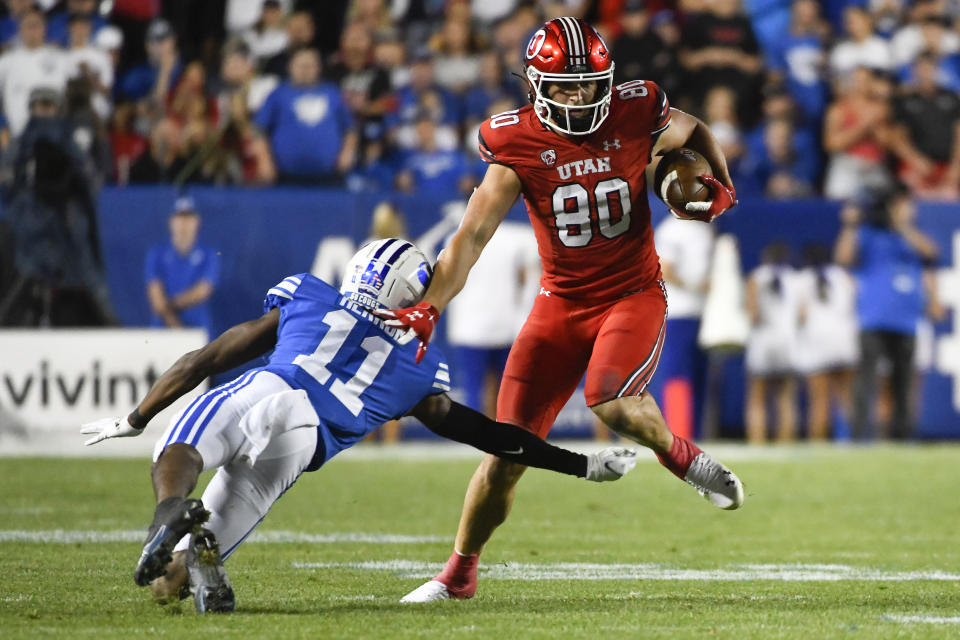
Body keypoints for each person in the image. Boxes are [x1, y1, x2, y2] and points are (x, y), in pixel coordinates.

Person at [375, 17, 744, 603]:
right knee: (506, 451)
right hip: (560, 304)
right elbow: (470, 237)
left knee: (611, 400)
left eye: (589, 83)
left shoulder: (634, 108)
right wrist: (430, 307)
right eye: (566, 85)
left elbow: (693, 129)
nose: (579, 96)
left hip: (631, 292)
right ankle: (458, 574)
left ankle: (683, 458)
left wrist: (719, 181)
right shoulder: (515, 141)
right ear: (534, 84)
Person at [79, 238, 638, 613]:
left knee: (181, 444)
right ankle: (197, 559)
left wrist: (135, 418)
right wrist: (581, 464)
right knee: (166, 586)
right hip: (302, 444)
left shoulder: (310, 296)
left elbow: (207, 358)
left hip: (272, 390)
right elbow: (495, 437)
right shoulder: (417, 367)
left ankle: (169, 510)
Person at [834, 188, 939, 440]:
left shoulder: (911, 237)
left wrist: (902, 226)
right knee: (866, 381)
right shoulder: (869, 235)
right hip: (873, 318)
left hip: (907, 321)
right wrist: (850, 224)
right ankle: (858, 436)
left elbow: (931, 252)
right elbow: (843, 257)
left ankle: (902, 436)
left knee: (904, 382)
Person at [794, 243, 858, 440]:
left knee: (820, 401)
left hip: (817, 342)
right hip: (844, 340)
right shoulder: (844, 277)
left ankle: (818, 445)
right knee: (846, 399)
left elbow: (801, 315)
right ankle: (851, 443)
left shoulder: (801, 281)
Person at [744, 242, 801, 443]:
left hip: (763, 343)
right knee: (786, 397)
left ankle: (757, 443)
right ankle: (785, 443)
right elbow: (802, 315)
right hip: (787, 342)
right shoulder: (796, 279)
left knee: (757, 397)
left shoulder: (756, 278)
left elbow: (753, 314)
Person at [145, 197, 220, 337]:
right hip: (162, 331)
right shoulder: (157, 254)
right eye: (179, 217)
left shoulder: (208, 255)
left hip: (198, 332)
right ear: (171, 221)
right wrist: (176, 329)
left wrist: (171, 306)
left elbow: (203, 291)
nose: (184, 223)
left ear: (197, 221)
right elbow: (156, 298)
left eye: (188, 218)